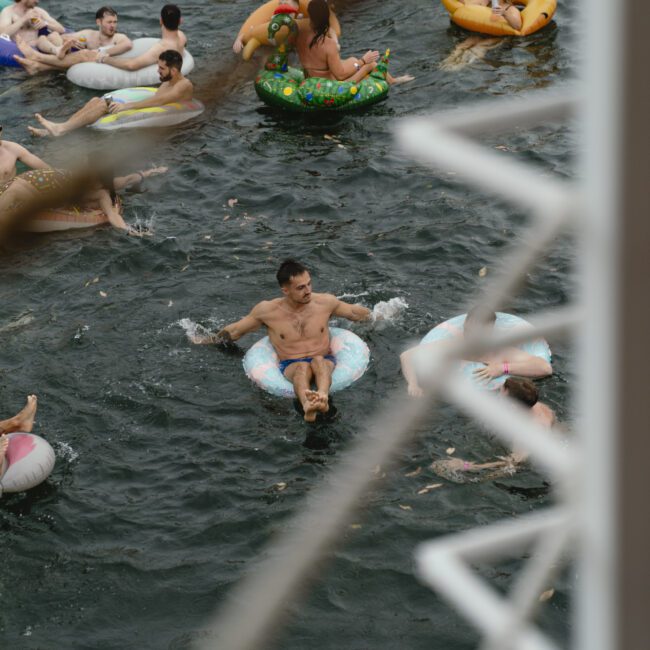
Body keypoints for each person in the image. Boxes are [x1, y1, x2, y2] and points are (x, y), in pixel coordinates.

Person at [191, 259, 372, 422]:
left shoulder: (325, 302)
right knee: (302, 368)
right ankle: (307, 404)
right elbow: (236, 331)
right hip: (291, 363)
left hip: (323, 358)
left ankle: (322, 397)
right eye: (300, 288)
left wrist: (381, 314)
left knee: (319, 361)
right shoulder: (268, 311)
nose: (308, 291)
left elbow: (354, 313)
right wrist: (208, 339)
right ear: (285, 290)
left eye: (309, 284)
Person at [27, 50, 193, 138]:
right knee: (95, 100)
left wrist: (125, 106)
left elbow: (159, 101)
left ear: (173, 69)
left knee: (102, 105)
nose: (158, 70)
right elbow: (154, 98)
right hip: (147, 109)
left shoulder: (183, 85)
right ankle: (55, 130)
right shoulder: (166, 82)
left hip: (163, 117)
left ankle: (61, 129)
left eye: (161, 68)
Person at [400, 306, 553, 397]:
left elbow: (545, 368)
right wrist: (413, 384)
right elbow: (407, 355)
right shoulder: (454, 345)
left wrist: (502, 368)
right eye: (467, 329)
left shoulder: (500, 351)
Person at [430, 378, 557, 482]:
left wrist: (466, 466)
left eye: (501, 391)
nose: (498, 392)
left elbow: (512, 464)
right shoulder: (537, 406)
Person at [0, 163, 166, 234]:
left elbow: (113, 215)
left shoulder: (102, 191)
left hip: (29, 183)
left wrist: (128, 229)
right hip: (30, 185)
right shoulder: (84, 183)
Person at [295, 0, 413, 85]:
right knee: (371, 64)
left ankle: (359, 64)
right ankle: (393, 81)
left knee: (351, 60)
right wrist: (363, 61)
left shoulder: (300, 35)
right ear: (326, 18)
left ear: (310, 15)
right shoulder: (328, 44)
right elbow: (340, 76)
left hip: (310, 78)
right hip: (330, 84)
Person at [13, 6, 133, 73]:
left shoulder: (118, 37)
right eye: (109, 22)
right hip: (75, 62)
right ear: (98, 22)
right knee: (51, 36)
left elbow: (127, 45)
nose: (113, 25)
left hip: (95, 65)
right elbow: (64, 36)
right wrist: (69, 41)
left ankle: (37, 59)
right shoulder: (89, 34)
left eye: (115, 22)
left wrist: (101, 51)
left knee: (84, 54)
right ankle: (40, 64)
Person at [95, 3, 185, 70]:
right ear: (180, 21)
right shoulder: (182, 37)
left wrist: (105, 59)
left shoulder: (161, 48)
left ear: (161, 21)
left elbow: (131, 65)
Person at [0, 0, 66, 54]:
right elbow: (2, 33)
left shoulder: (38, 11)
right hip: (20, 47)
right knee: (41, 38)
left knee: (54, 35)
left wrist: (45, 24)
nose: (38, 1)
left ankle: (63, 52)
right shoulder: (8, 12)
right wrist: (24, 18)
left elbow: (62, 29)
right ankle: (57, 52)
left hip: (40, 45)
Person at [458, 0, 522, 31]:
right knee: (465, 44)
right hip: (481, 30)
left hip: (499, 36)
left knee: (480, 46)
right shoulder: (484, 1)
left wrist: (504, 13)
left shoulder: (510, 8)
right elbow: (466, 5)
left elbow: (517, 26)